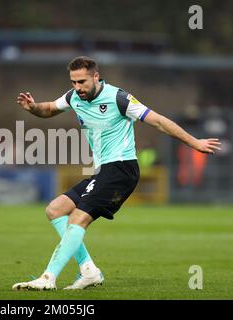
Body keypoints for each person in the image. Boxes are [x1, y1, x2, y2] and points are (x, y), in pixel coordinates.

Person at [12, 56, 221, 291]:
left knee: (77, 218)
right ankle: (89, 271)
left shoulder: (118, 98)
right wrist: (33, 108)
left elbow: (159, 121)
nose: (77, 87)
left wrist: (195, 142)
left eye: (82, 81)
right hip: (103, 171)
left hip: (121, 168)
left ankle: (48, 278)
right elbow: (49, 108)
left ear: (96, 77)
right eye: (73, 82)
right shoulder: (74, 97)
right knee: (55, 210)